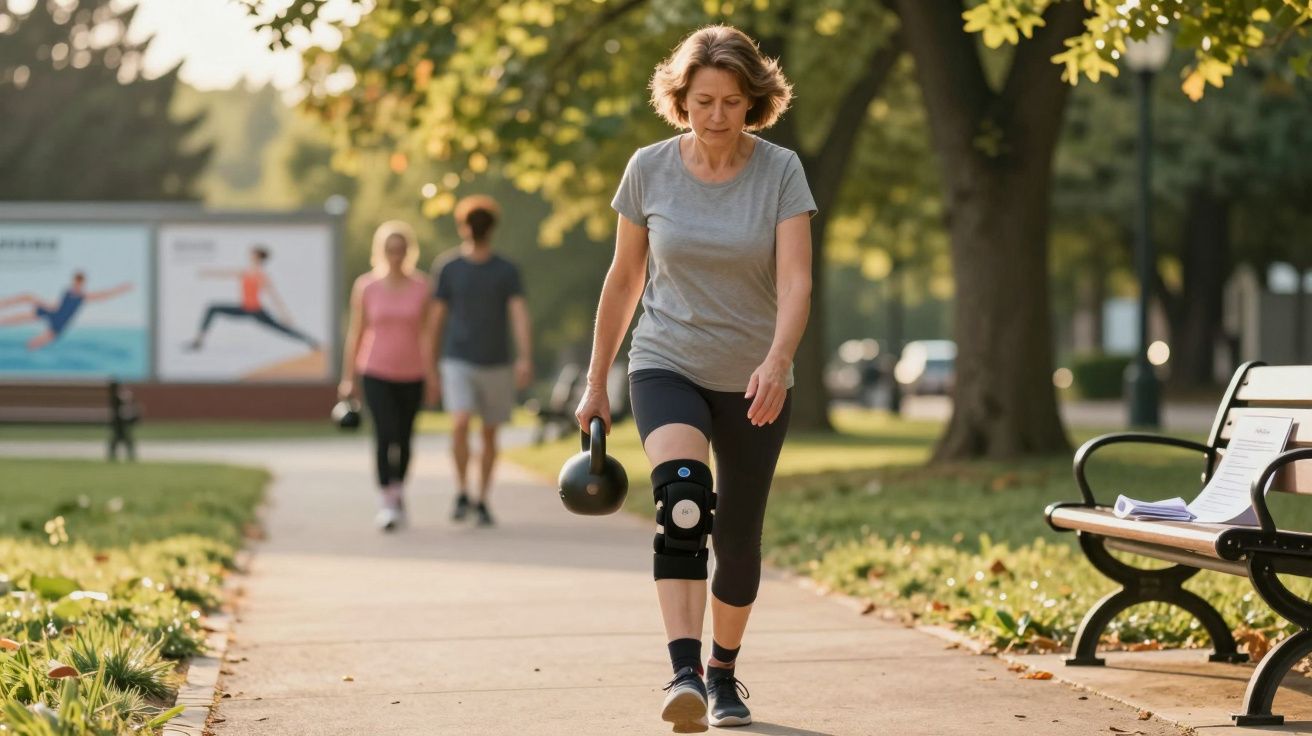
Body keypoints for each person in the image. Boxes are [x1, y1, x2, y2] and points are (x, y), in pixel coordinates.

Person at [573, 25, 815, 732]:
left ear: (754, 104)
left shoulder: (780, 172)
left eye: (732, 102)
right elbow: (623, 282)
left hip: (753, 378)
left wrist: (776, 361)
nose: (716, 116)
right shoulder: (648, 169)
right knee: (683, 502)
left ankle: (723, 674)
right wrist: (596, 383)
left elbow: (797, 281)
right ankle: (681, 672)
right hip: (665, 360)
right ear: (680, 99)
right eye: (703, 100)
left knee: (737, 539)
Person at [428, 195, 533, 528]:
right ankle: (461, 489)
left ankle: (482, 498)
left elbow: (518, 315)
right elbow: (436, 319)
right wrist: (430, 365)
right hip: (457, 359)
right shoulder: (448, 268)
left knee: (489, 433)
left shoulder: (506, 270)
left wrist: (524, 358)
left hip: (497, 362)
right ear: (463, 227)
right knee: (460, 423)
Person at [339, 222, 438, 531]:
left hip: (412, 372)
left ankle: (397, 491)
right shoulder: (366, 286)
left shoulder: (423, 286)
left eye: (401, 249)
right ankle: (387, 500)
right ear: (380, 251)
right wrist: (349, 377)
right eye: (390, 249)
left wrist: (432, 376)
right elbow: (356, 333)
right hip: (375, 371)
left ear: (409, 251)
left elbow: (427, 335)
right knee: (384, 433)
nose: (396, 255)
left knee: (405, 438)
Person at [185, 245, 319, 351]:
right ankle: (198, 341)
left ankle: (310, 341)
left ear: (258, 257)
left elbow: (274, 297)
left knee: (281, 328)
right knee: (212, 308)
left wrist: (285, 315)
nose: (250, 255)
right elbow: (225, 273)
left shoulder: (261, 275)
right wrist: (207, 273)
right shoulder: (245, 271)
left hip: (256, 311)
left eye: (253, 253)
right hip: (244, 308)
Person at [0, 272, 133, 350]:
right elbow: (59, 304)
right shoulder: (67, 291)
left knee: (31, 345)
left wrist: (121, 289)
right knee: (27, 298)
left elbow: (104, 295)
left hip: (60, 322)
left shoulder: (83, 296)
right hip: (54, 311)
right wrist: (47, 305)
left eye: (78, 283)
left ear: (82, 284)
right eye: (75, 282)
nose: (76, 285)